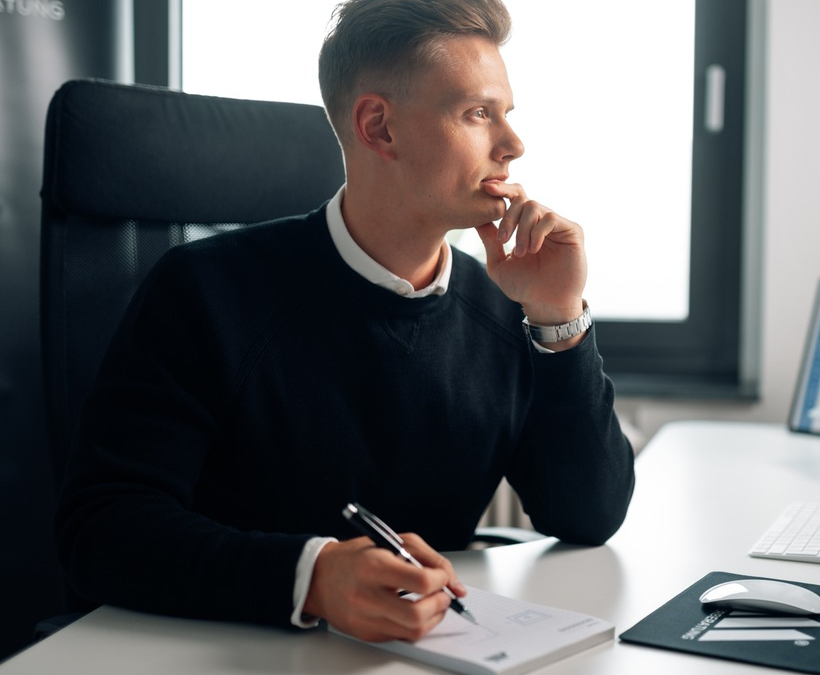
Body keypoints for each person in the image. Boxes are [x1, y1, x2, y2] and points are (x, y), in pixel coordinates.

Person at [54, 0, 635, 643]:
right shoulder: (203, 290)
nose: (513, 145)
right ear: (378, 127)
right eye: (478, 113)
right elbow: (100, 531)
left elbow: (588, 517)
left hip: (429, 651)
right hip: (233, 652)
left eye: (507, 114)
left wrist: (558, 319)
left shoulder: (505, 305)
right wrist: (312, 578)